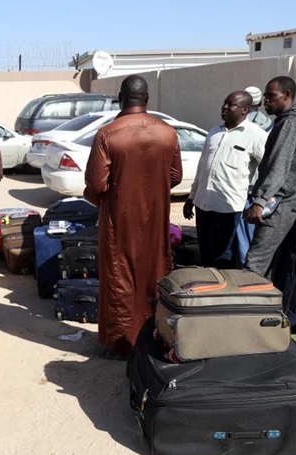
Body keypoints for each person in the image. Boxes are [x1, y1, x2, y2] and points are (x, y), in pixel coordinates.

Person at [84, 75, 182, 358]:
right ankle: (156, 335)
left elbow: (97, 184)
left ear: (120, 98)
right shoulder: (167, 132)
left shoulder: (108, 134)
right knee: (155, 273)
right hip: (155, 218)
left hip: (119, 220)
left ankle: (122, 343)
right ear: (147, 99)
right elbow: (175, 176)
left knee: (120, 277)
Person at [245, 76, 296, 278]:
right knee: (269, 262)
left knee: (255, 263)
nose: (265, 100)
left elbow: (279, 165)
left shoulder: (289, 124)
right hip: (286, 201)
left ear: (286, 95)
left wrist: (261, 200)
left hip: (277, 203)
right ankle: (264, 305)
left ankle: (245, 306)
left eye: (271, 96)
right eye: (265, 96)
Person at [183, 91, 267, 268]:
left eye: (231, 104)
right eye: (224, 102)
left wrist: (260, 199)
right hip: (203, 204)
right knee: (205, 252)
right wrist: (191, 197)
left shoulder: (256, 135)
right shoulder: (214, 132)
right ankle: (208, 288)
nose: (225, 107)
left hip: (228, 207)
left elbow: (269, 167)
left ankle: (223, 291)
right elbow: (201, 167)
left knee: (224, 255)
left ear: (245, 110)